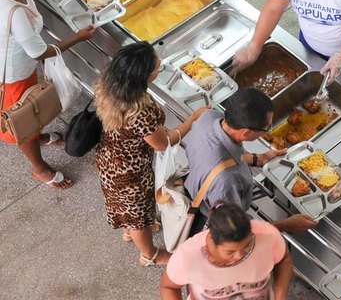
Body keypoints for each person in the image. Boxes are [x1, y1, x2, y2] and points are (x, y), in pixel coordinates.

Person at [94, 42, 209, 267]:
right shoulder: (140, 111)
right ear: (143, 76)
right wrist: (192, 120)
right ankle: (150, 253)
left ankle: (129, 230)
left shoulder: (109, 85)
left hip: (109, 159)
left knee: (126, 208)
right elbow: (163, 143)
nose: (160, 67)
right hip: (130, 173)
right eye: (156, 67)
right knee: (138, 214)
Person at [0, 0, 96, 190]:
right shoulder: (13, 14)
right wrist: (77, 38)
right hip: (12, 75)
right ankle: (39, 168)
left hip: (14, 67)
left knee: (33, 113)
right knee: (23, 122)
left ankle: (38, 135)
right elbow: (39, 52)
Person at [184, 87, 317, 235]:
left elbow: (226, 154)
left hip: (199, 181)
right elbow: (235, 229)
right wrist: (288, 224)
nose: (267, 130)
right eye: (266, 129)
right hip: (210, 215)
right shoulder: (226, 181)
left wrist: (260, 159)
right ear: (246, 133)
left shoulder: (210, 117)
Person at [160, 201, 293, 300]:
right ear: (211, 240)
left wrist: (280, 297)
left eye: (247, 246)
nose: (240, 255)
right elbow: (169, 287)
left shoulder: (266, 235)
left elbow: (283, 259)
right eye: (230, 252)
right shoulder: (187, 256)